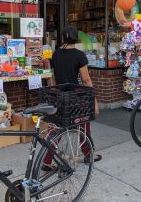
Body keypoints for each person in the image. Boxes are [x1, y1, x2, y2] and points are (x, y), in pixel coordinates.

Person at [43, 26, 101, 171]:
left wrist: (54, 94)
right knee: (84, 125)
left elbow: (53, 78)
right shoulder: (80, 55)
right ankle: (88, 155)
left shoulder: (56, 54)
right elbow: (86, 80)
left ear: (63, 38)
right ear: (77, 38)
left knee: (55, 129)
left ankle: (46, 160)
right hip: (76, 97)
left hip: (60, 96)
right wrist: (94, 102)